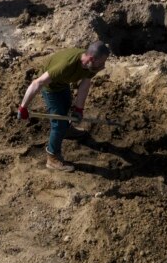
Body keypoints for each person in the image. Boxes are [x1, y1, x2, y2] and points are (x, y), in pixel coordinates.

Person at [16, 41, 111, 172]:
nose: (103, 66)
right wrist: (23, 107)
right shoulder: (66, 66)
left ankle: (66, 131)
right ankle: (52, 157)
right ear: (92, 59)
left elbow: (85, 84)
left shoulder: (91, 66)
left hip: (63, 83)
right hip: (50, 87)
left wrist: (79, 109)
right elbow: (37, 83)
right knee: (58, 122)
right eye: (102, 63)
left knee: (66, 107)